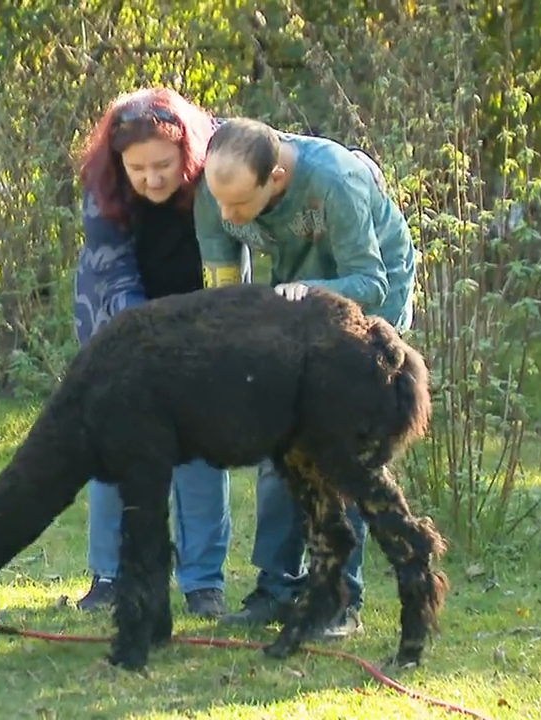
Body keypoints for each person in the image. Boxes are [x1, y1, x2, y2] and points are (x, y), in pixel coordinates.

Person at [193, 117, 419, 641]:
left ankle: (341, 599)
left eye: (239, 206)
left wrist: (291, 295)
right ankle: (275, 588)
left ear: (275, 178)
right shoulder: (218, 189)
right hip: (295, 302)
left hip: (369, 303)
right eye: (218, 202)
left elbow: (369, 278)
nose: (226, 216)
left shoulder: (334, 180)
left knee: (342, 453)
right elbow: (224, 287)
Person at [69, 88, 252, 618]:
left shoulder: (220, 166)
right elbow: (114, 274)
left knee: (197, 450)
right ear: (118, 162)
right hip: (118, 318)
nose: (151, 179)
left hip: (204, 315)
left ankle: (203, 583)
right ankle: (112, 575)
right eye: (138, 168)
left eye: (163, 166)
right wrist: (148, 346)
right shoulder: (99, 184)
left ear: (188, 154)